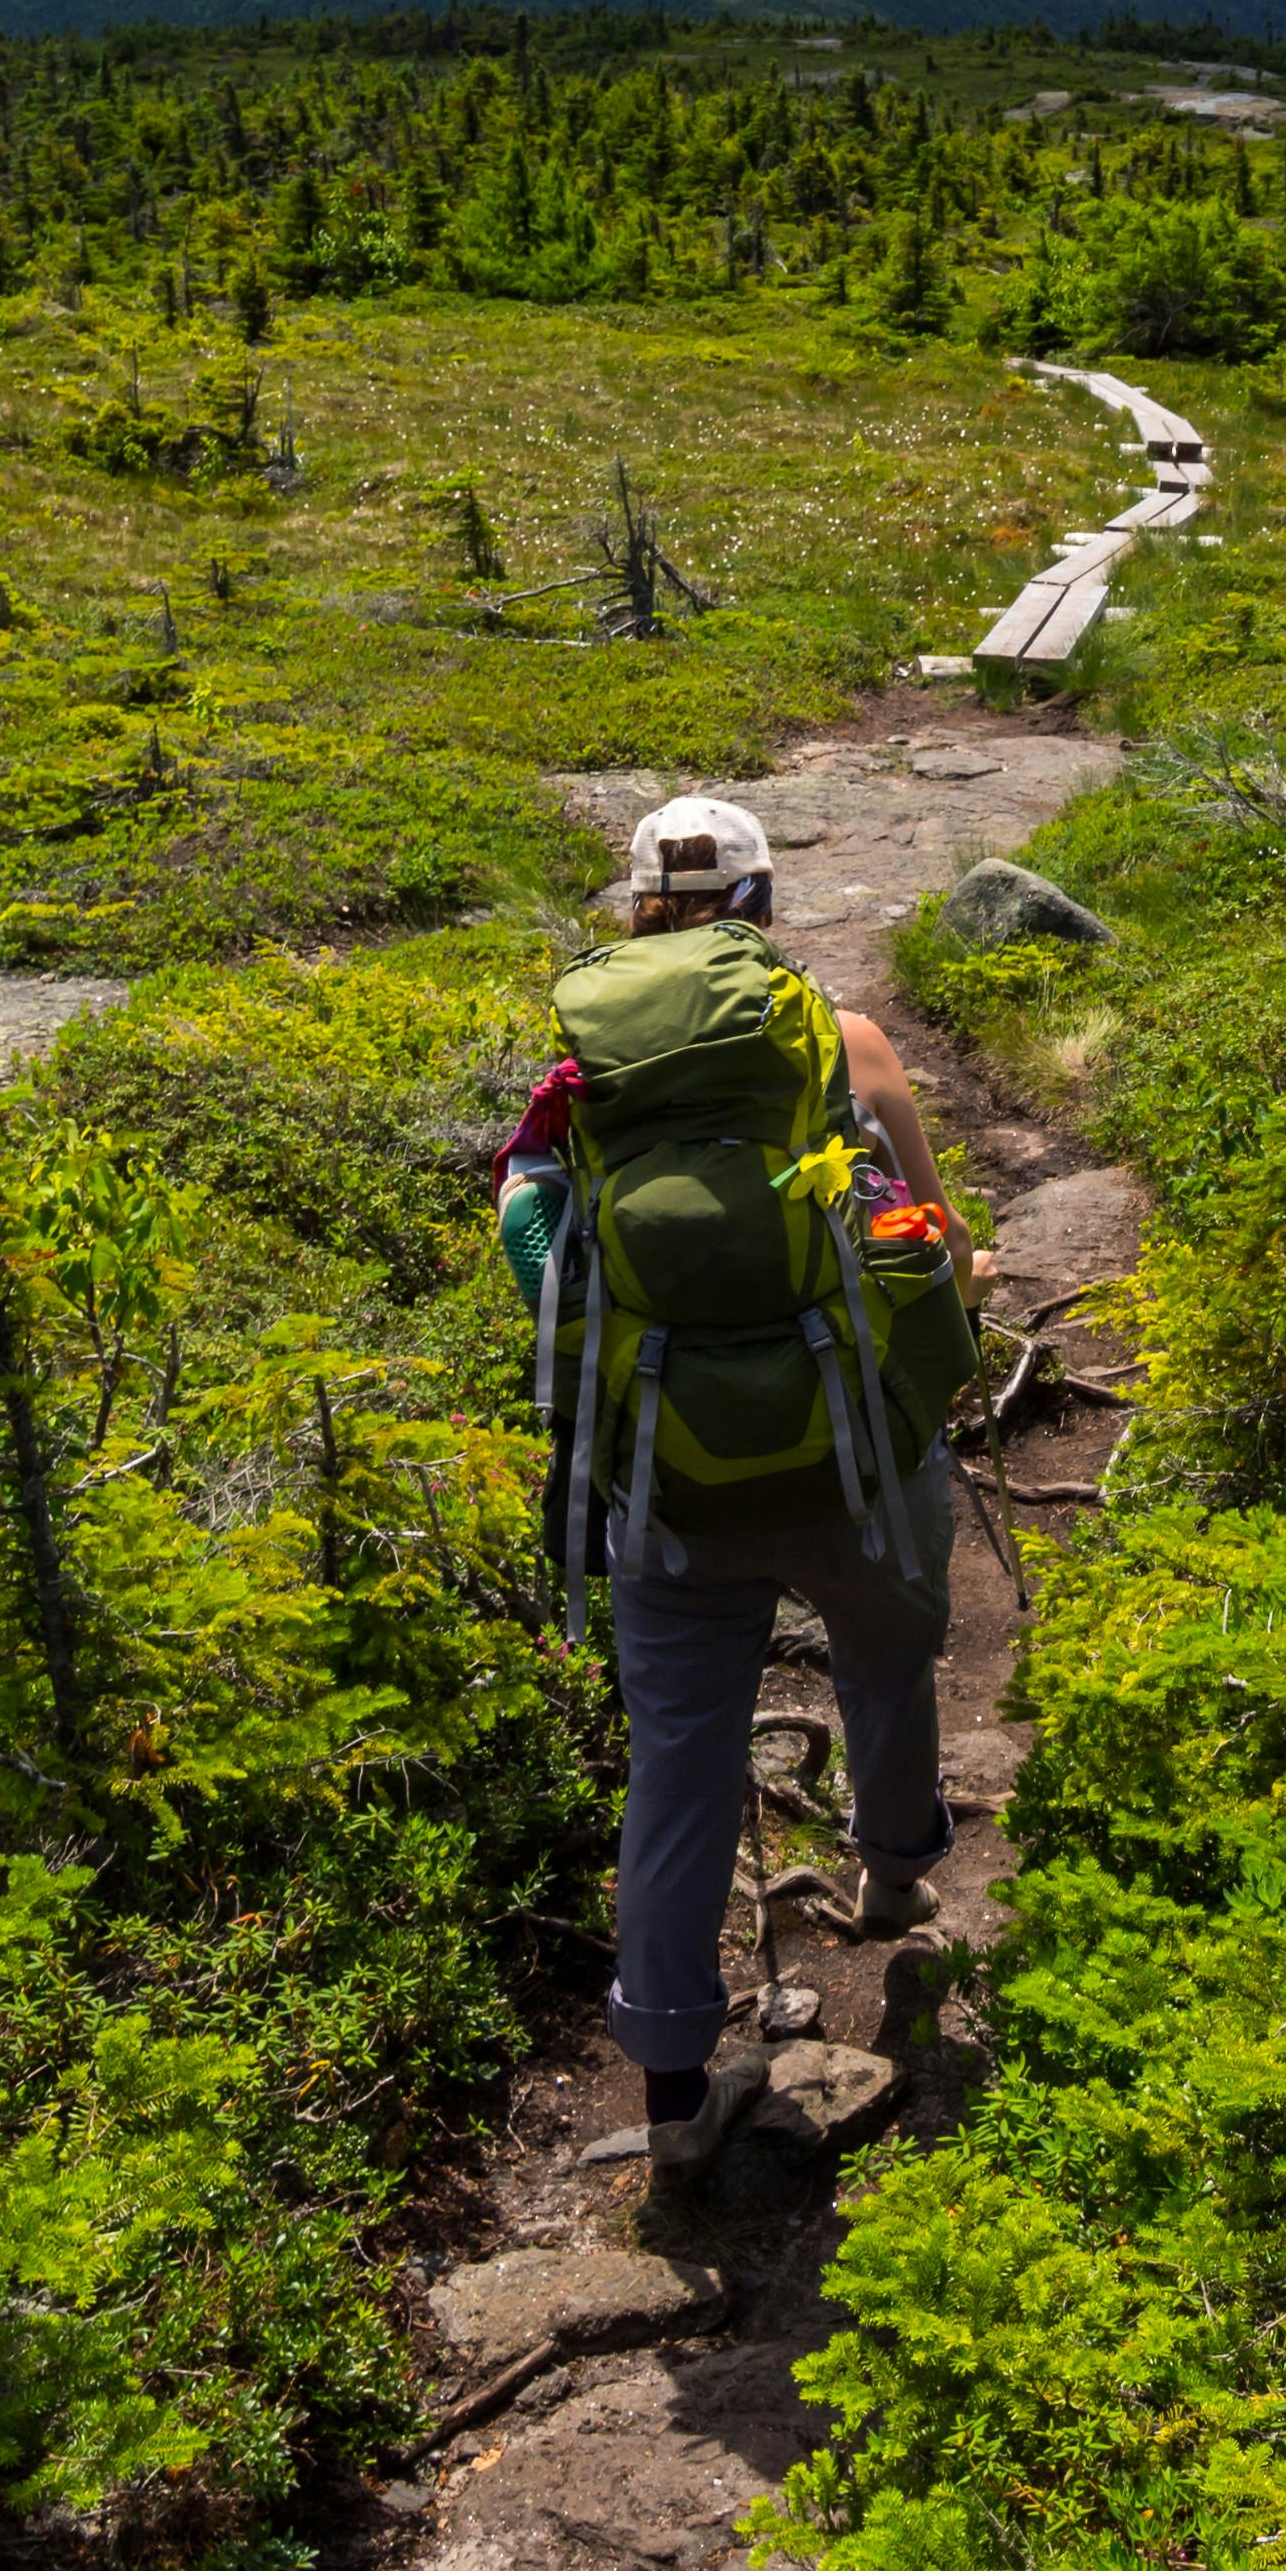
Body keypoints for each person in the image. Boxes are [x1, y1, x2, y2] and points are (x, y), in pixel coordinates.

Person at [500, 795, 997, 2183]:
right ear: (764, 908)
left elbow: (537, 1256)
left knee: (677, 1770)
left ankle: (670, 2099)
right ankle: (895, 1872)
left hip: (666, 1483)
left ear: (639, 912)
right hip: (850, 1455)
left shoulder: (582, 1083)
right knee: (889, 1658)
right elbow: (925, 1238)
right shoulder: (844, 1047)